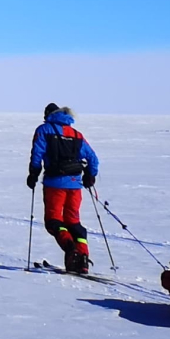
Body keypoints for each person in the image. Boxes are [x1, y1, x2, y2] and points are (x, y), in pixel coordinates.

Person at [29, 103, 102, 275]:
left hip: (54, 184)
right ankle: (82, 258)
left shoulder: (44, 130)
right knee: (73, 222)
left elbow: (37, 153)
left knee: (53, 221)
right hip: (75, 185)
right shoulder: (76, 134)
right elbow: (93, 158)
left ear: (48, 115)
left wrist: (33, 174)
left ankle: (71, 251)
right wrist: (90, 176)